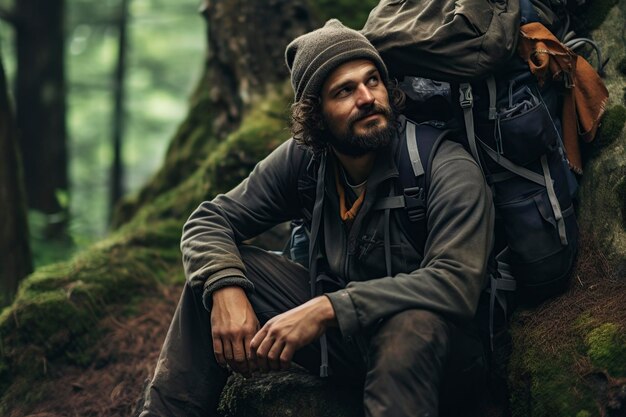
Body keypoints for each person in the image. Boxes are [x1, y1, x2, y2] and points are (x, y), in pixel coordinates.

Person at [139, 19, 494, 417]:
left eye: (373, 81)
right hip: (348, 346)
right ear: (316, 116)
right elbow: (209, 220)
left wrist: (327, 308)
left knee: (409, 326)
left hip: (438, 360)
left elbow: (456, 282)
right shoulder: (307, 160)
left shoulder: (442, 164)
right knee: (213, 278)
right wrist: (225, 288)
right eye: (344, 91)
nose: (366, 98)